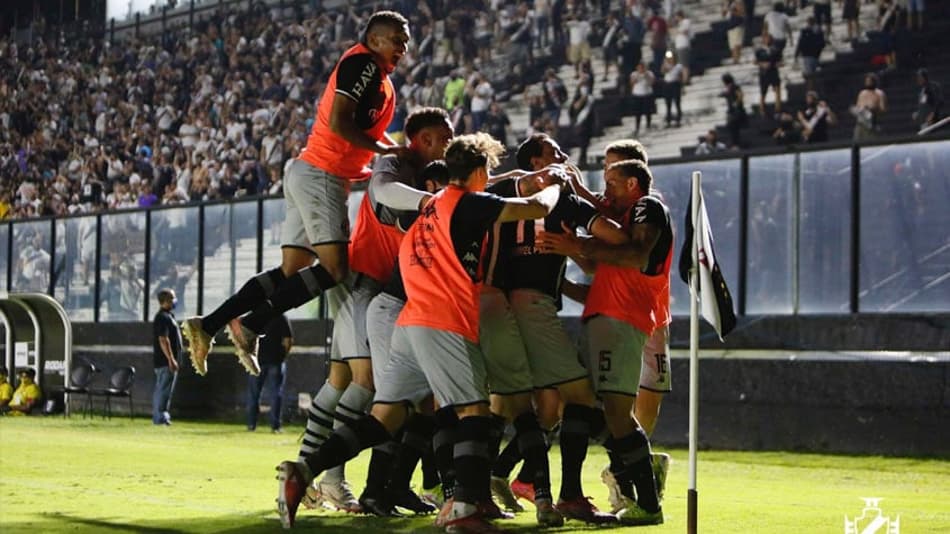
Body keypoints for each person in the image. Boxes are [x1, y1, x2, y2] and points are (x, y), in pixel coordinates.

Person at [275, 133, 565, 531]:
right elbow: (533, 208)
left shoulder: (429, 211)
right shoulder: (467, 204)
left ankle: (304, 470)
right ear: (480, 172)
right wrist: (555, 187)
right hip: (441, 321)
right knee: (473, 411)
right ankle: (464, 509)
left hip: (409, 323)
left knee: (383, 419)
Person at [182, 11, 411, 376]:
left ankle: (209, 324)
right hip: (323, 174)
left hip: (309, 171)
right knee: (335, 268)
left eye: (406, 41)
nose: (404, 46)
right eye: (398, 39)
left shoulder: (377, 77)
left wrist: (390, 147)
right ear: (375, 38)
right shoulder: (365, 64)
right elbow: (339, 122)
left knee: (293, 269)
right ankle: (252, 325)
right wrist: (386, 152)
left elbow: (357, 127)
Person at [297, 107, 454, 515]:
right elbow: (384, 193)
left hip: (373, 288)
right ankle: (327, 479)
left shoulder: (414, 178)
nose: (449, 144)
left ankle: (319, 478)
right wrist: (431, 199)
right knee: (373, 390)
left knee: (344, 381)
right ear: (420, 139)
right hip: (367, 286)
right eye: (443, 137)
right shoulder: (395, 167)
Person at [485, 134, 626, 526]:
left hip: (497, 305)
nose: (563, 157)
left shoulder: (500, 196)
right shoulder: (563, 200)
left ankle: (488, 481)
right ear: (535, 163)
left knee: (525, 405)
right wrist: (580, 245)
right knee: (579, 398)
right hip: (532, 307)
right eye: (553, 153)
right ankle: (572, 493)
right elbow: (616, 236)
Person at [537, 159, 669, 526]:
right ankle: (573, 494)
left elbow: (636, 253)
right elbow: (597, 266)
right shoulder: (622, 220)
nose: (605, 190)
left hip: (622, 320)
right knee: (580, 405)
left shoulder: (647, 206)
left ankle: (647, 501)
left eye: (611, 183)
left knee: (614, 415)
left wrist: (575, 243)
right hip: (603, 317)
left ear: (631, 184)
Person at [246, 314, 292, 432]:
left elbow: (245, 338)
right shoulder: (280, 317)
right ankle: (275, 426)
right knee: (276, 394)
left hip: (257, 360)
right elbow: (288, 340)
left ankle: (251, 425)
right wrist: (283, 356)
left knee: (254, 394)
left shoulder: (254, 316)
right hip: (276, 360)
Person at [152, 288, 182, 426]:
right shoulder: (163, 317)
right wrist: (171, 359)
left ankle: (160, 416)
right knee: (163, 391)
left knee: (163, 390)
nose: (175, 301)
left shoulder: (168, 316)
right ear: (166, 301)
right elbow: (163, 339)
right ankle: (161, 418)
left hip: (165, 361)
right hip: (165, 362)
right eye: (172, 298)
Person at [852, 73, 887, 141]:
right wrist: (859, 110)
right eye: (867, 81)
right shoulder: (862, 93)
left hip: (872, 123)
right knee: (856, 142)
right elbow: (858, 107)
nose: (868, 83)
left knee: (871, 143)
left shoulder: (879, 93)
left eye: (870, 81)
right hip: (861, 123)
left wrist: (872, 109)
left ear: (874, 82)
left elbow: (883, 109)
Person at [795, 17, 825, 92]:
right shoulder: (816, 31)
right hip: (812, 55)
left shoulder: (808, 31)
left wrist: (797, 54)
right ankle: (811, 91)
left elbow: (800, 43)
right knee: (810, 74)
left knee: (810, 75)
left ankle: (810, 92)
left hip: (809, 55)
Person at [755, 33, 783, 116]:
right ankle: (762, 109)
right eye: (766, 38)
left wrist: (777, 64)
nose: (767, 40)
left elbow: (781, 61)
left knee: (777, 90)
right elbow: (755, 61)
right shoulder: (759, 51)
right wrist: (762, 64)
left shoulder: (776, 50)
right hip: (764, 74)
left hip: (774, 72)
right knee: (763, 92)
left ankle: (778, 109)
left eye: (769, 38)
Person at [721, 73, 747, 148]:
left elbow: (740, 95)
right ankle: (734, 143)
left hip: (736, 111)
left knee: (733, 126)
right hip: (732, 111)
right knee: (731, 127)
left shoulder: (735, 87)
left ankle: (736, 143)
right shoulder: (729, 88)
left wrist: (737, 102)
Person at [629, 62, 656, 135]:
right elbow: (632, 83)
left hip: (647, 95)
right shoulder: (634, 74)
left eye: (642, 67)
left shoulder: (649, 73)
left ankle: (648, 125)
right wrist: (638, 76)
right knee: (638, 112)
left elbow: (652, 82)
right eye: (639, 67)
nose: (641, 69)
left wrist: (646, 75)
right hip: (637, 95)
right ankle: (637, 127)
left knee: (648, 111)